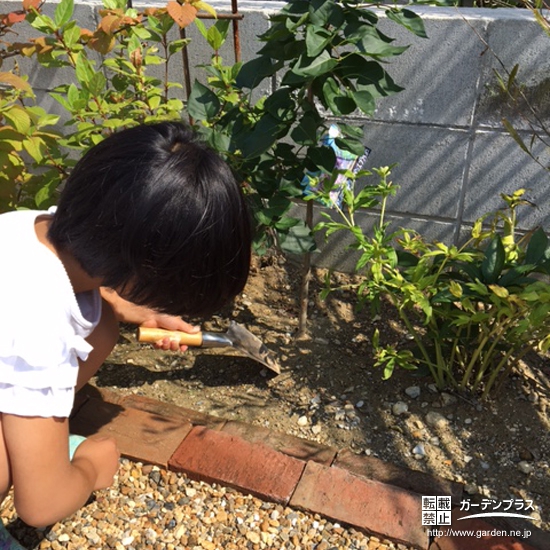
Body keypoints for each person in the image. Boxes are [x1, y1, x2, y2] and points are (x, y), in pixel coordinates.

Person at [0, 121, 252, 547]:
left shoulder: (33, 227)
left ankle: (35, 432)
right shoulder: (37, 326)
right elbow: (39, 506)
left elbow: (88, 290)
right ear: (142, 276)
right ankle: (34, 443)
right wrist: (89, 466)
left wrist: (138, 308)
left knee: (101, 323)